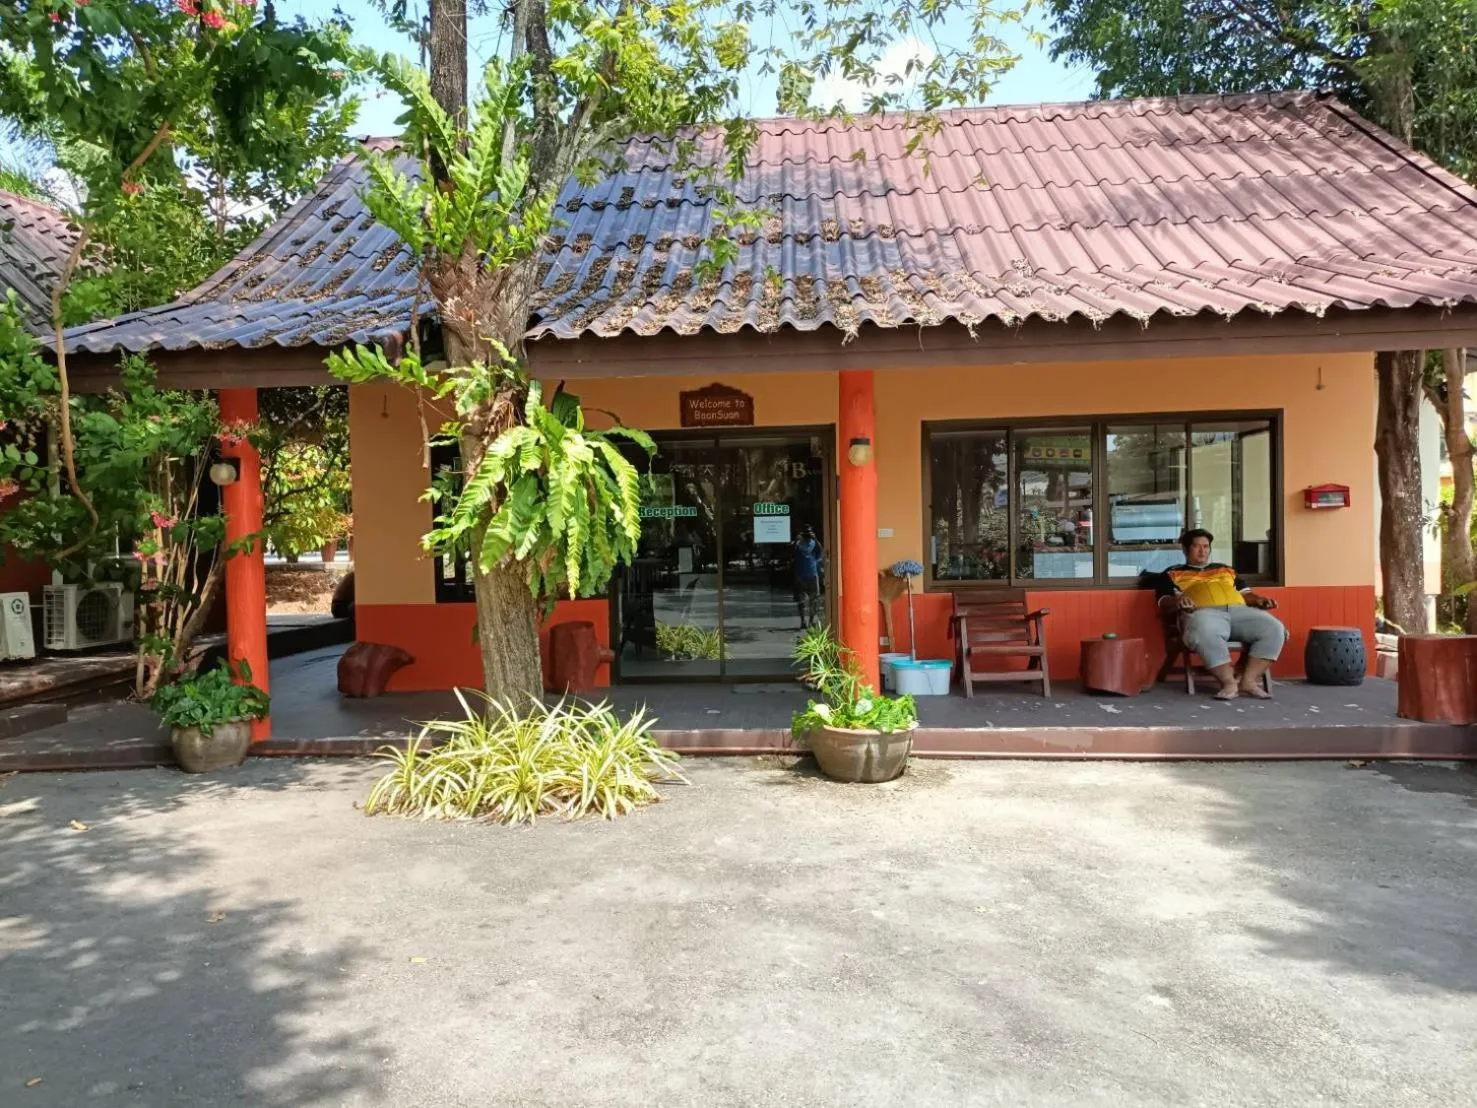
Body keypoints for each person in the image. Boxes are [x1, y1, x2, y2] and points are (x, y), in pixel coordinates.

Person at [1155, 528, 1286, 700]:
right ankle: (1229, 683)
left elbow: (1246, 594)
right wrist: (1178, 602)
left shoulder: (1225, 570)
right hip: (1203, 612)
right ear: (1186, 549)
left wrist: (1260, 600)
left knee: (1274, 628)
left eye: (1206, 546)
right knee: (1203, 630)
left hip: (1239, 611)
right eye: (1197, 546)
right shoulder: (1171, 574)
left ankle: (1248, 681)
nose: (1203, 551)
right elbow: (1163, 602)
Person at [792, 525, 824, 629]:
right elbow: (821, 553)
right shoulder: (809, 544)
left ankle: (806, 621)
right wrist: (815, 539)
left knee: (808, 600)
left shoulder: (804, 544)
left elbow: (821, 553)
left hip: (804, 575)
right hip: (808, 575)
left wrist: (814, 539)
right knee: (808, 600)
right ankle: (807, 621)